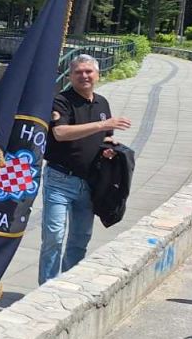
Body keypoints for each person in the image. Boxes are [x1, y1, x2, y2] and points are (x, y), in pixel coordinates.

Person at [39, 55, 132, 285]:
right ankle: (48, 287)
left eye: (89, 71)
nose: (84, 76)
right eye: (79, 72)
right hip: (60, 179)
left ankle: (67, 285)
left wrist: (108, 148)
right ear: (70, 76)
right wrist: (104, 125)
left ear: (97, 75)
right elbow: (60, 133)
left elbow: (106, 137)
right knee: (54, 237)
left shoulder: (102, 103)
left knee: (80, 238)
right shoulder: (61, 101)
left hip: (90, 181)